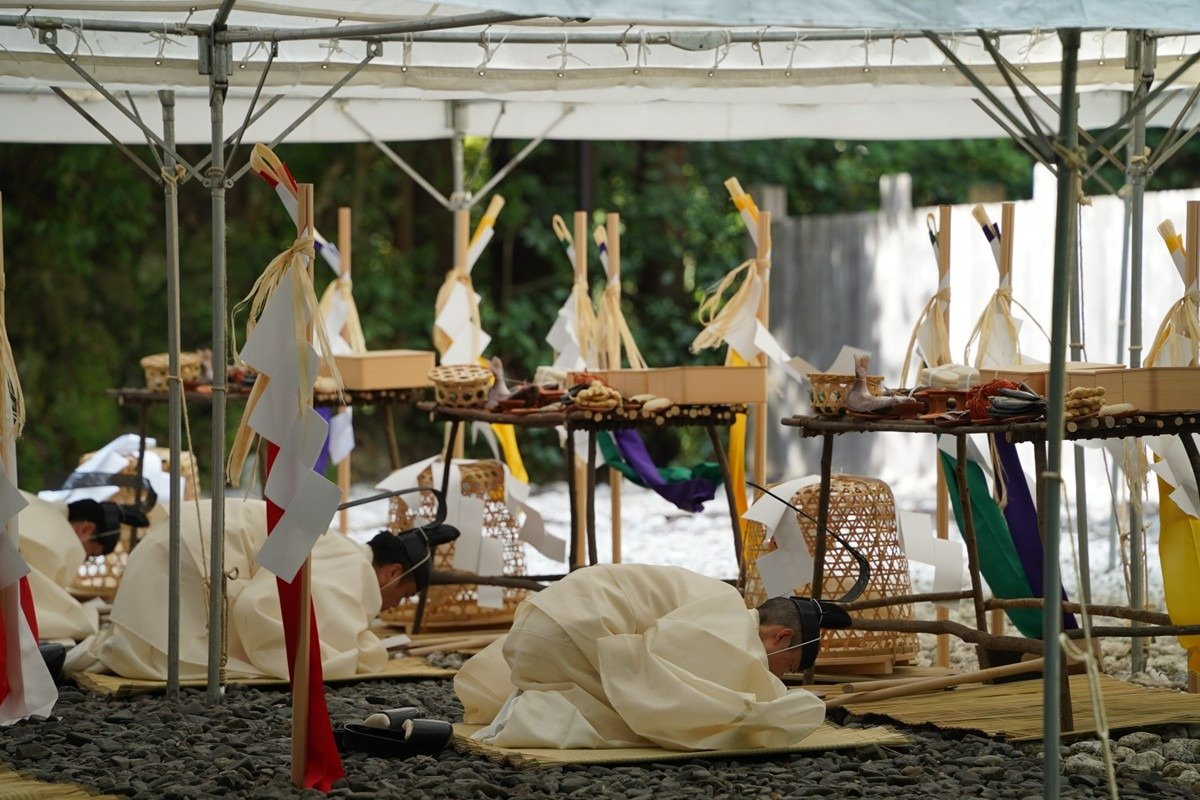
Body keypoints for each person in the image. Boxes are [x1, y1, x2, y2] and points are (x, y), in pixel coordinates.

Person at [454, 563, 849, 752]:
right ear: (780, 637)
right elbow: (661, 660)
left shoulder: (722, 602)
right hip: (566, 635)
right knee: (652, 718)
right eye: (789, 667)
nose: (781, 676)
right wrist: (750, 712)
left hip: (532, 631)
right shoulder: (731, 618)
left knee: (644, 704)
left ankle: (527, 705)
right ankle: (529, 714)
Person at [69, 498, 457, 681]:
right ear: (391, 572)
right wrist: (361, 651)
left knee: (134, 648)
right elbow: (261, 608)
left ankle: (64, 657)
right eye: (402, 595)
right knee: (150, 656)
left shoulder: (341, 549)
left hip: (182, 540)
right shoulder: (353, 568)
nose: (391, 607)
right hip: (194, 555)